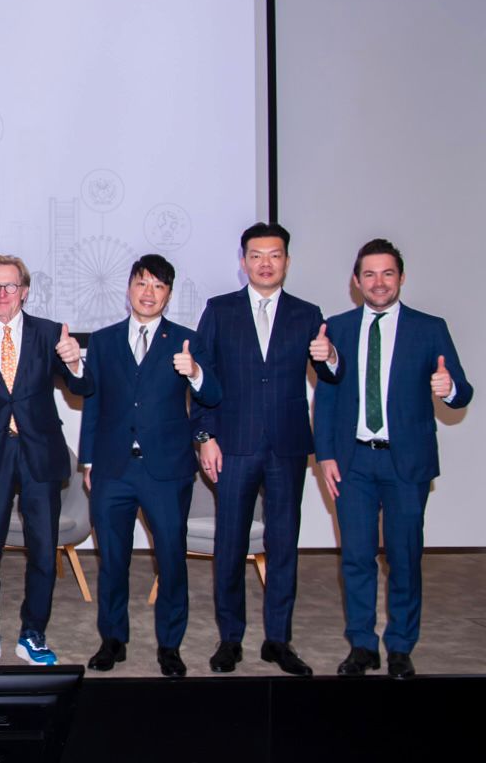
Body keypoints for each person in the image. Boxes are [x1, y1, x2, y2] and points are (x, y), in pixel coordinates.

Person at [315, 239, 472, 679]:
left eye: (387, 273)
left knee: (404, 557)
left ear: (401, 277)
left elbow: (461, 391)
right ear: (356, 281)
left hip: (407, 465)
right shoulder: (338, 329)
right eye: (369, 274)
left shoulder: (429, 328)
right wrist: (325, 455)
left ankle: (401, 646)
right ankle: (362, 645)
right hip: (353, 464)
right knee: (356, 557)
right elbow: (326, 399)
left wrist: (449, 389)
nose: (378, 282)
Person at [192, 222, 338, 676]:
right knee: (230, 544)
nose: (265, 263)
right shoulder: (219, 310)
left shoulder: (307, 313)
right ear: (243, 262)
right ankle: (230, 638)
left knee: (283, 544)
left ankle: (278, 639)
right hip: (233, 444)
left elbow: (330, 375)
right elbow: (201, 379)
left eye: (274, 255)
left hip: (287, 446)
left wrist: (331, 357)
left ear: (287, 261)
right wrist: (205, 437)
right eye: (256, 255)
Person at [78, 254, 221, 677]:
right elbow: (93, 404)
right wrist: (88, 459)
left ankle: (170, 646)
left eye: (158, 286)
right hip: (113, 468)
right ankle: (112, 640)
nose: (148, 293)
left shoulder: (187, 340)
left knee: (172, 560)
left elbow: (213, 395)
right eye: (142, 283)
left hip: (167, 471)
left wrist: (195, 372)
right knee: (112, 560)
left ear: (168, 294)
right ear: (128, 288)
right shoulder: (103, 341)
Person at [0, 254, 93, 667]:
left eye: (11, 285)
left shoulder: (49, 333)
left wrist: (74, 360)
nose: (2, 293)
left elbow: (82, 386)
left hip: (40, 455)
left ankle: (33, 633)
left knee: (43, 553)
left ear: (25, 291)